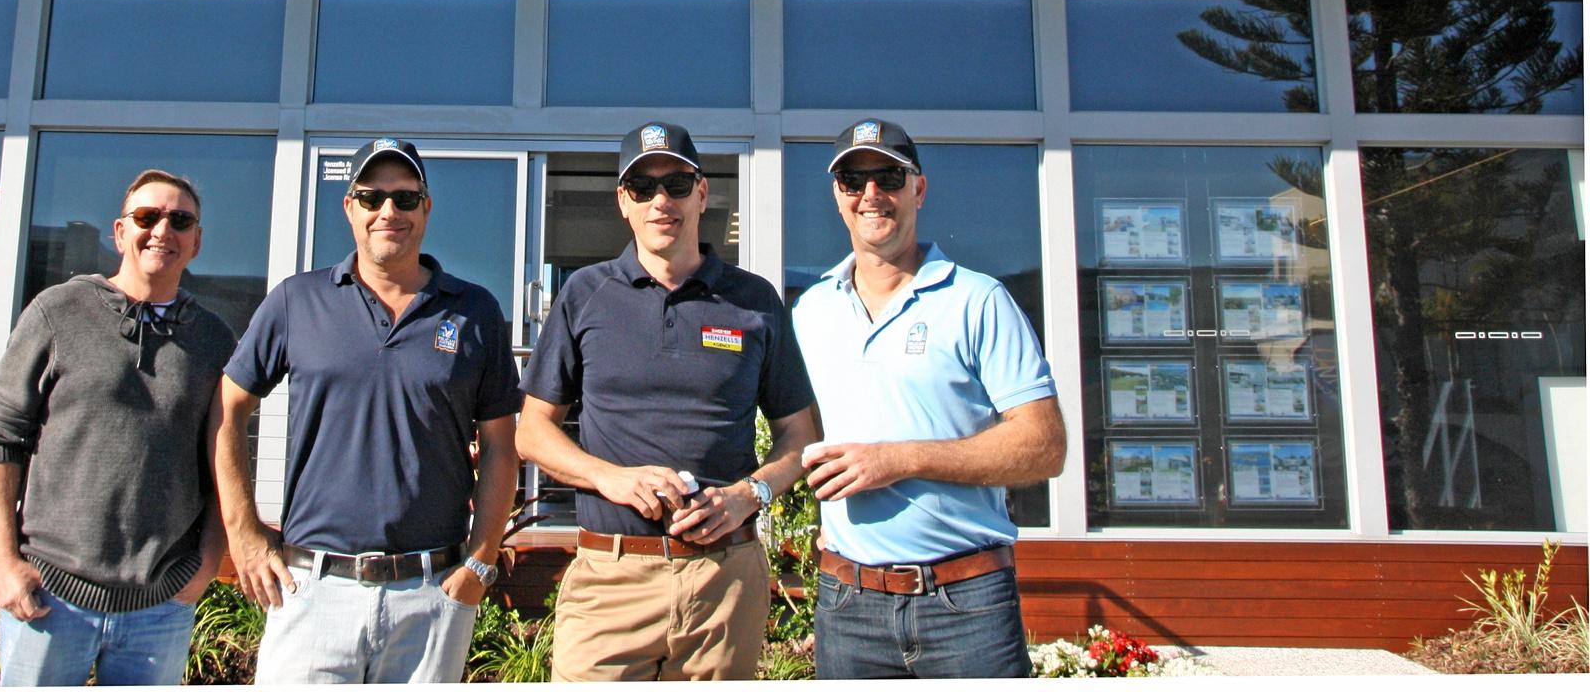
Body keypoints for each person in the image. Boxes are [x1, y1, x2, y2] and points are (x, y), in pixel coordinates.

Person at [518, 121, 819, 682]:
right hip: (611, 578)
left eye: (677, 184)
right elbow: (532, 431)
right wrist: (608, 477)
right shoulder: (583, 294)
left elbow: (801, 435)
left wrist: (749, 494)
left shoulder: (753, 301)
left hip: (724, 579)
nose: (661, 201)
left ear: (703, 194)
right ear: (622, 203)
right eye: (643, 188)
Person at [216, 137, 521, 684]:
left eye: (405, 199)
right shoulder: (297, 300)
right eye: (371, 196)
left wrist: (480, 559)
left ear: (426, 207)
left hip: (433, 593)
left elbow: (502, 444)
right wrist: (242, 530)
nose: (389, 212)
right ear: (349, 207)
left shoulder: (473, 311)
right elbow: (228, 410)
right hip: (312, 589)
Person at [792, 119, 1066, 680]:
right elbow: (804, 434)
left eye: (888, 175)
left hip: (965, 603)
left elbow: (1045, 447)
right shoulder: (810, 311)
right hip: (847, 600)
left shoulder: (979, 300)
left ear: (918, 188)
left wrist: (900, 459)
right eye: (852, 178)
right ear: (837, 197)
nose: (871, 193)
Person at [0, 169, 234, 686]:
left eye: (180, 220)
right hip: (51, 598)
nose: (162, 230)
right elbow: (1, 436)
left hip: (159, 608)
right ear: (121, 232)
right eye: (147, 217)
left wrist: (207, 562)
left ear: (197, 241)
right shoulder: (57, 312)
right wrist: (4, 561)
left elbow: (223, 463)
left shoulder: (214, 341)